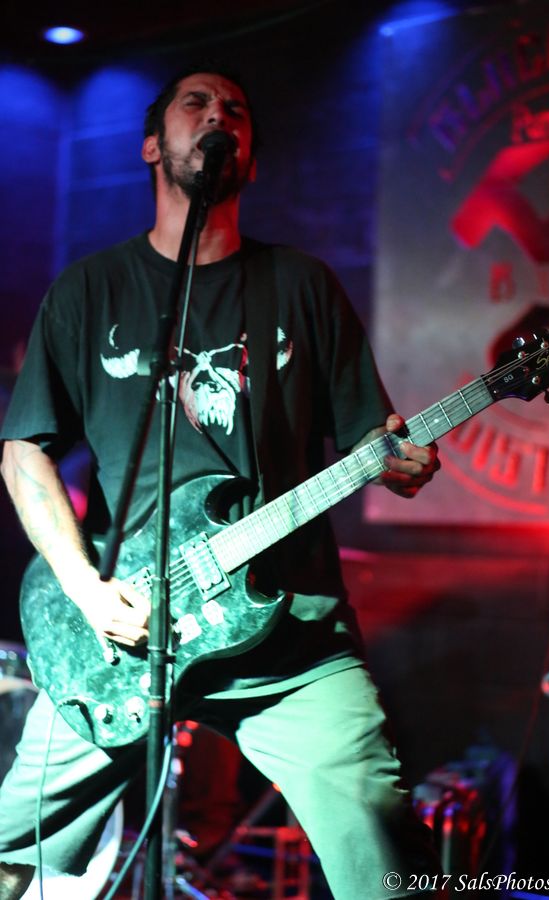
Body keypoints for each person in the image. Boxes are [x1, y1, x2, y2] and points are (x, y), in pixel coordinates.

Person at [0, 64, 443, 899]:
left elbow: (371, 437)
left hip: (291, 639)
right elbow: (23, 452)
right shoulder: (90, 291)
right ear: (151, 145)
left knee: (386, 855)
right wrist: (86, 589)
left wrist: (397, 459)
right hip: (121, 640)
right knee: (8, 850)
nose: (217, 117)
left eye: (234, 110)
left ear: (251, 157)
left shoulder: (302, 286)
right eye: (195, 103)